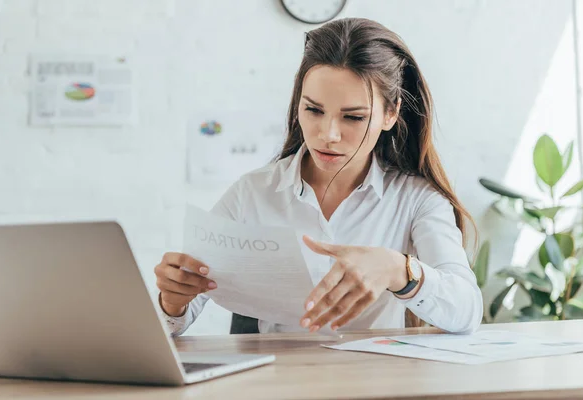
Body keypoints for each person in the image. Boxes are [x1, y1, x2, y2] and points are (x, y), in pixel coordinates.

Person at [154, 17, 483, 336]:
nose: (329, 134)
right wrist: (174, 302)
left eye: (353, 117)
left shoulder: (417, 200)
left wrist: (397, 269)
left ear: (391, 113)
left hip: (376, 384)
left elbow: (467, 312)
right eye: (313, 110)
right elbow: (177, 318)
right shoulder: (252, 194)